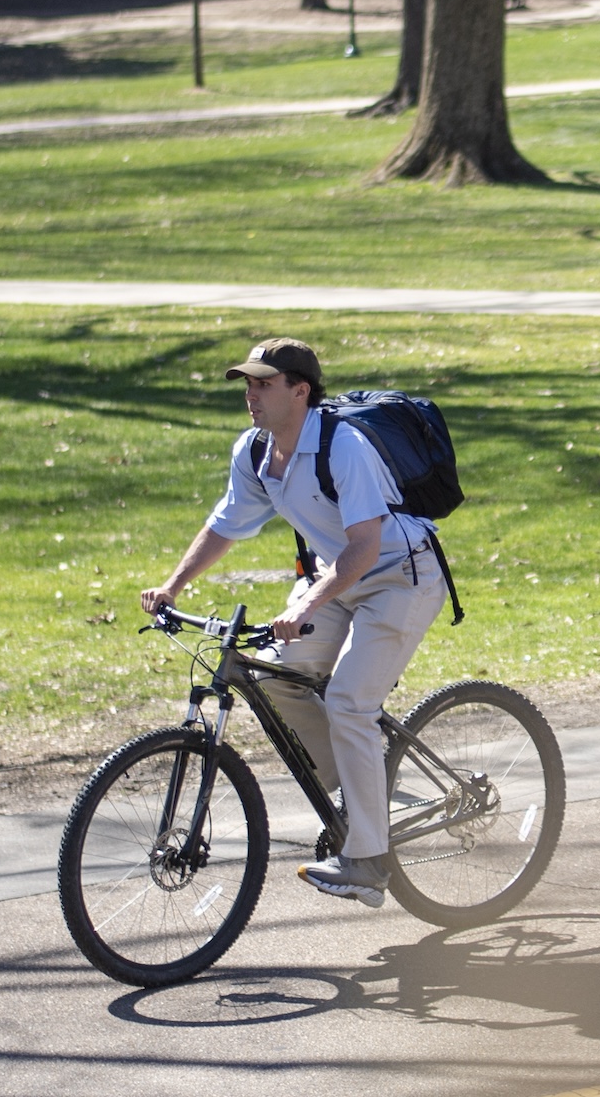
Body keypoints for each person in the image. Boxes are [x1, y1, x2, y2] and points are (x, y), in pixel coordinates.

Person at [140, 337, 447, 909]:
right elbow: (224, 526)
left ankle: (368, 861)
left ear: (300, 391)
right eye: (248, 385)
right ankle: (359, 800)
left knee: (352, 703)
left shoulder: (344, 446)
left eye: (264, 384)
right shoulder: (255, 451)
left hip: (398, 575)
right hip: (340, 576)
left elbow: (364, 547)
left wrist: (304, 606)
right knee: (278, 675)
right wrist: (173, 586)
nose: (251, 396)